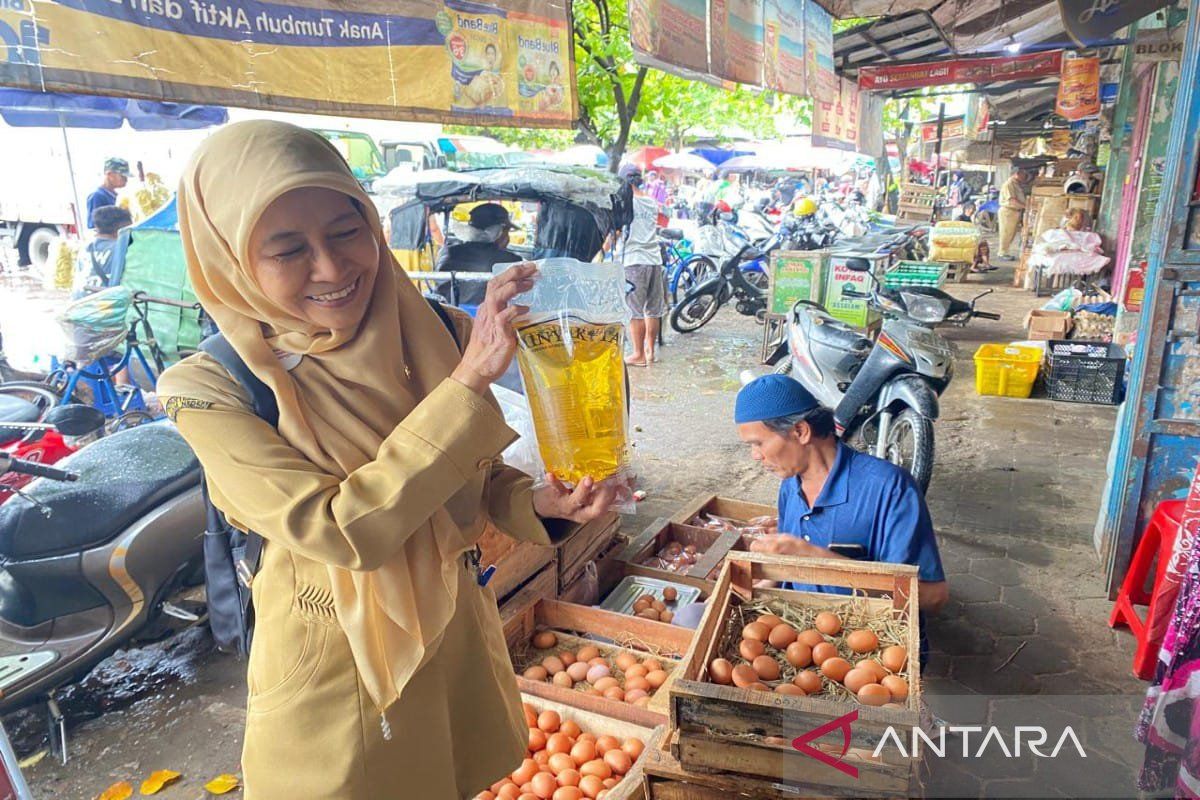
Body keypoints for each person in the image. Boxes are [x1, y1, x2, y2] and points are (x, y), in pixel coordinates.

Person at [156, 121, 616, 798]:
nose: (334, 268)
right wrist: (464, 388)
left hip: (454, 630)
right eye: (287, 249)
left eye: (347, 231)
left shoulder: (437, 329)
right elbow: (340, 528)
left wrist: (543, 504)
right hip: (337, 664)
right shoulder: (210, 389)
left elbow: (471, 479)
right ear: (228, 257)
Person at [734, 375, 948, 631]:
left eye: (758, 444)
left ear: (800, 431)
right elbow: (792, 567)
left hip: (872, 639)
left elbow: (934, 597)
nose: (755, 456)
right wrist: (764, 580)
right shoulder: (790, 487)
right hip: (803, 630)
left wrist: (817, 560)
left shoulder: (889, 489)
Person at [616, 165, 665, 367]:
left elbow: (618, 231)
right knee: (652, 309)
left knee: (634, 310)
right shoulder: (651, 202)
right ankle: (650, 351)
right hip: (654, 260)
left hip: (634, 261)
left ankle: (637, 354)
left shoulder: (626, 204)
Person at [434, 203, 522, 307]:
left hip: (444, 313)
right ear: (498, 231)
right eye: (507, 231)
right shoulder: (511, 260)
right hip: (487, 317)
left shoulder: (447, 252)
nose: (508, 237)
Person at [74, 205, 132, 295]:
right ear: (123, 227)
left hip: (80, 303)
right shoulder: (123, 249)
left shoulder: (86, 248)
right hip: (105, 305)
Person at [998, 168, 1033, 259]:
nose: (1024, 177)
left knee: (1011, 233)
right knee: (1006, 233)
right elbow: (1012, 200)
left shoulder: (1016, 184)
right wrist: (1026, 207)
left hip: (1015, 212)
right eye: (1023, 175)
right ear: (1017, 174)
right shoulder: (1009, 184)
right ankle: (1002, 253)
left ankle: (1005, 251)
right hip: (1008, 211)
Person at [86, 157, 129, 229]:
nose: (126, 180)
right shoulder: (97, 197)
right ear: (110, 174)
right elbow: (94, 227)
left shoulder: (117, 196)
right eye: (122, 176)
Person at [956, 201, 993, 274]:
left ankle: (986, 263)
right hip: (961, 240)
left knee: (983, 243)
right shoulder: (960, 218)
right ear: (967, 209)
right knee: (979, 245)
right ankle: (973, 266)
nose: (973, 211)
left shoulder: (968, 219)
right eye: (972, 209)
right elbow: (959, 231)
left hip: (967, 238)